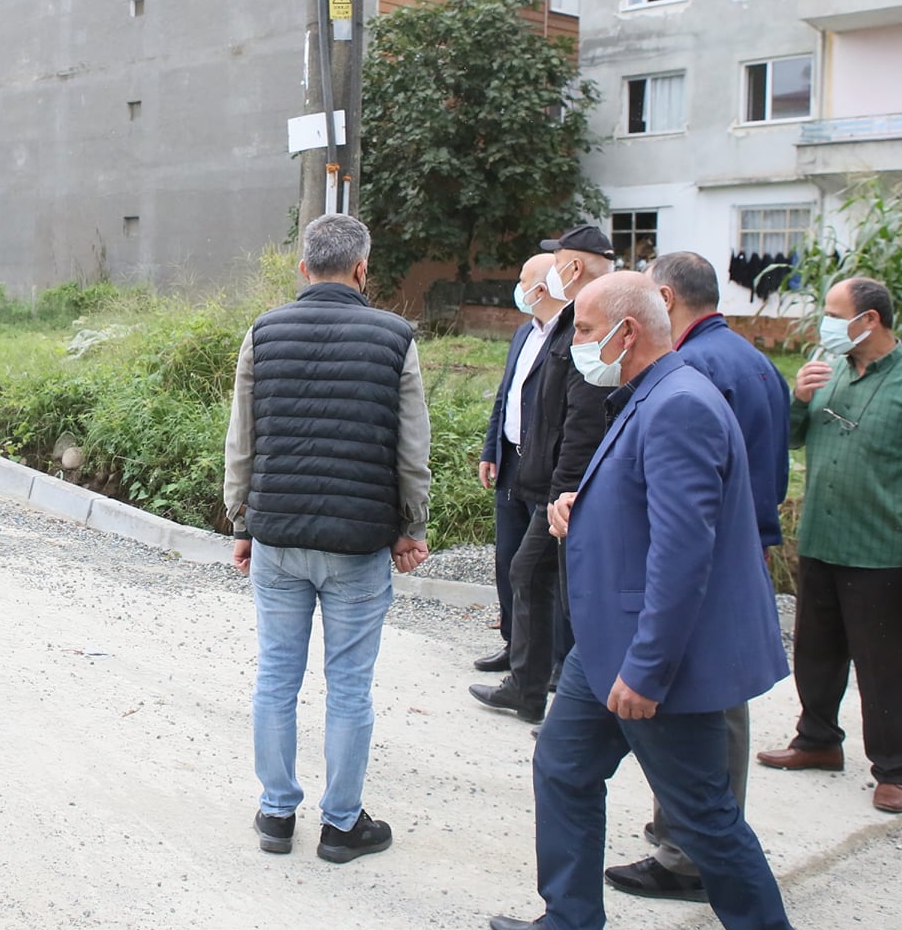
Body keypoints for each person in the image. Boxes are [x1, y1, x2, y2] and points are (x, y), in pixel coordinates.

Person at [491, 273, 825, 930]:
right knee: (563, 765)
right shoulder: (650, 392)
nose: (574, 345)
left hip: (653, 658)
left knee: (703, 816)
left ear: (626, 333)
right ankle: (573, 926)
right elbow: (646, 504)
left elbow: (684, 552)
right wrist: (588, 506)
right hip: (606, 647)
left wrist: (646, 669)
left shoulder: (678, 405)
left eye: (582, 330)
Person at [223, 213, 432, 863]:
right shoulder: (396, 337)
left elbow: (242, 441)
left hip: (278, 537)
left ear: (302, 267)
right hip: (359, 544)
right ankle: (341, 824)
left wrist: (241, 521)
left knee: (276, 676)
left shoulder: (264, 332)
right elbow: (411, 449)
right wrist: (411, 524)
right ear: (362, 269)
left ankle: (277, 812)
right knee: (349, 686)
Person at [606, 251, 791, 904]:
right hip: (742, 546)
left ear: (661, 297)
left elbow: (684, 505)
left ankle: (689, 851)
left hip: (702, 558)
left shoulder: (690, 372)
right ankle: (696, 841)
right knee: (718, 701)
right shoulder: (754, 360)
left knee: (693, 704)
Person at [757, 277, 902, 815]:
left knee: (885, 664)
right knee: (815, 650)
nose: (824, 325)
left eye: (833, 313)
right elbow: (792, 438)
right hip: (822, 541)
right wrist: (799, 398)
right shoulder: (826, 371)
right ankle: (818, 740)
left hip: (883, 550)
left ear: (869, 319)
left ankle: (896, 770)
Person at [471, 225, 615, 724]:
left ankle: (574, 701)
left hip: (569, 489)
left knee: (567, 592)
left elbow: (583, 418)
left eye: (556, 264)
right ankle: (530, 687)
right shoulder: (568, 322)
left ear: (571, 270)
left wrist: (563, 490)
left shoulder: (592, 323)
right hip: (547, 480)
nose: (548, 273)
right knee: (531, 573)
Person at [474, 253, 561, 672]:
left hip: (544, 469)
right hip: (510, 462)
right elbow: (505, 396)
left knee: (541, 569)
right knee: (508, 559)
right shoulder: (524, 334)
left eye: (523, 279)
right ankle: (514, 644)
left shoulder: (566, 339)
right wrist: (491, 449)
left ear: (540, 289)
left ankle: (546, 661)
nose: (518, 287)